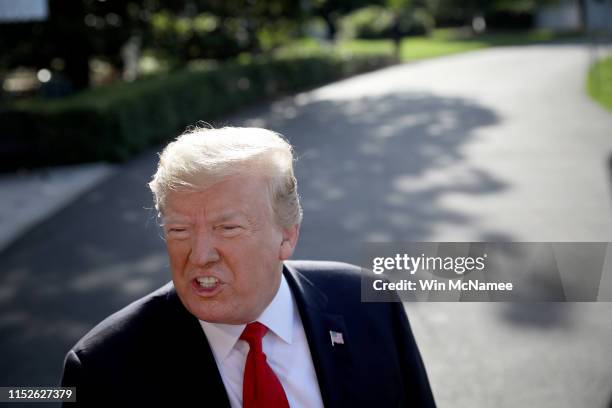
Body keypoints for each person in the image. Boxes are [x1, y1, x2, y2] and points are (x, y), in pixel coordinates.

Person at [60, 127, 436, 407]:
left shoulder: (368, 304)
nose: (200, 254)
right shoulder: (102, 368)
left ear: (287, 236)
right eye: (179, 229)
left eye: (228, 227)